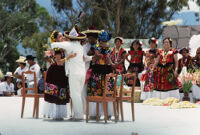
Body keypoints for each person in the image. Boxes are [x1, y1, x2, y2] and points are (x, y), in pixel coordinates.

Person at [51, 26, 87, 120]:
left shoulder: (68, 44)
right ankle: (78, 114)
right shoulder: (80, 46)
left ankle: (79, 116)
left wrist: (58, 42)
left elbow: (53, 45)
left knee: (75, 95)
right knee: (78, 94)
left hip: (74, 73)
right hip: (82, 73)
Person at [44, 30, 76, 120]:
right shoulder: (57, 48)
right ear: (55, 39)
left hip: (60, 71)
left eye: (62, 36)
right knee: (56, 92)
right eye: (60, 37)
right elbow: (58, 62)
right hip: (56, 71)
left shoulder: (61, 47)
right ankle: (56, 114)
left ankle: (59, 114)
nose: (62, 38)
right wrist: (70, 57)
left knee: (61, 91)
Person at [87, 31, 114, 119]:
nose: (103, 43)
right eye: (102, 41)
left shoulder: (109, 50)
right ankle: (94, 114)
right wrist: (95, 57)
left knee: (107, 93)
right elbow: (88, 56)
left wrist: (109, 61)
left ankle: (108, 113)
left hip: (106, 72)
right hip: (96, 72)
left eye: (105, 42)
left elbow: (111, 63)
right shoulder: (94, 48)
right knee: (95, 92)